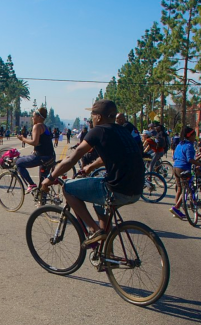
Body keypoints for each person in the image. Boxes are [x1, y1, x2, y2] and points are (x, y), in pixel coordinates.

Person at [40, 100, 143, 246]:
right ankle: (107, 254)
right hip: (137, 188)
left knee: (67, 188)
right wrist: (90, 167)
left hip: (117, 189)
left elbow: (71, 159)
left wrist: (49, 178)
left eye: (92, 115)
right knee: (99, 203)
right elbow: (108, 156)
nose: (91, 118)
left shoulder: (99, 131)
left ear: (99, 117)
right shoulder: (122, 131)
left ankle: (95, 229)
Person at [170, 127, 201, 220]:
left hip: (175, 167)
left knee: (180, 189)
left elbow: (174, 157)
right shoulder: (189, 146)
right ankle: (176, 208)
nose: (195, 137)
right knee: (187, 189)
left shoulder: (180, 144)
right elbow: (189, 159)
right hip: (183, 168)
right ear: (190, 136)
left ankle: (176, 211)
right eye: (194, 135)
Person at [16, 107, 55, 193]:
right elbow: (43, 142)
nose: (32, 118)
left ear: (38, 117)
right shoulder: (46, 127)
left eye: (33, 116)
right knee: (42, 183)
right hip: (50, 157)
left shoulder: (37, 126)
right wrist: (35, 150)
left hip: (42, 157)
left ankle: (31, 184)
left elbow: (35, 142)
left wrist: (23, 139)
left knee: (18, 163)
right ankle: (42, 202)